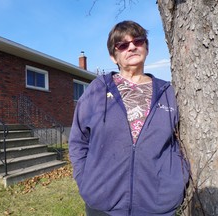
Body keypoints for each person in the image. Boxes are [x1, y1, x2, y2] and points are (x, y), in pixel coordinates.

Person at [69, 20, 189, 216]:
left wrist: (177, 180)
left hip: (158, 204)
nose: (132, 47)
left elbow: (181, 140)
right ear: (113, 55)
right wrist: (85, 180)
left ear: (146, 47)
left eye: (138, 41)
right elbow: (77, 140)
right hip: (103, 203)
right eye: (123, 45)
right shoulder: (98, 90)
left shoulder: (168, 92)